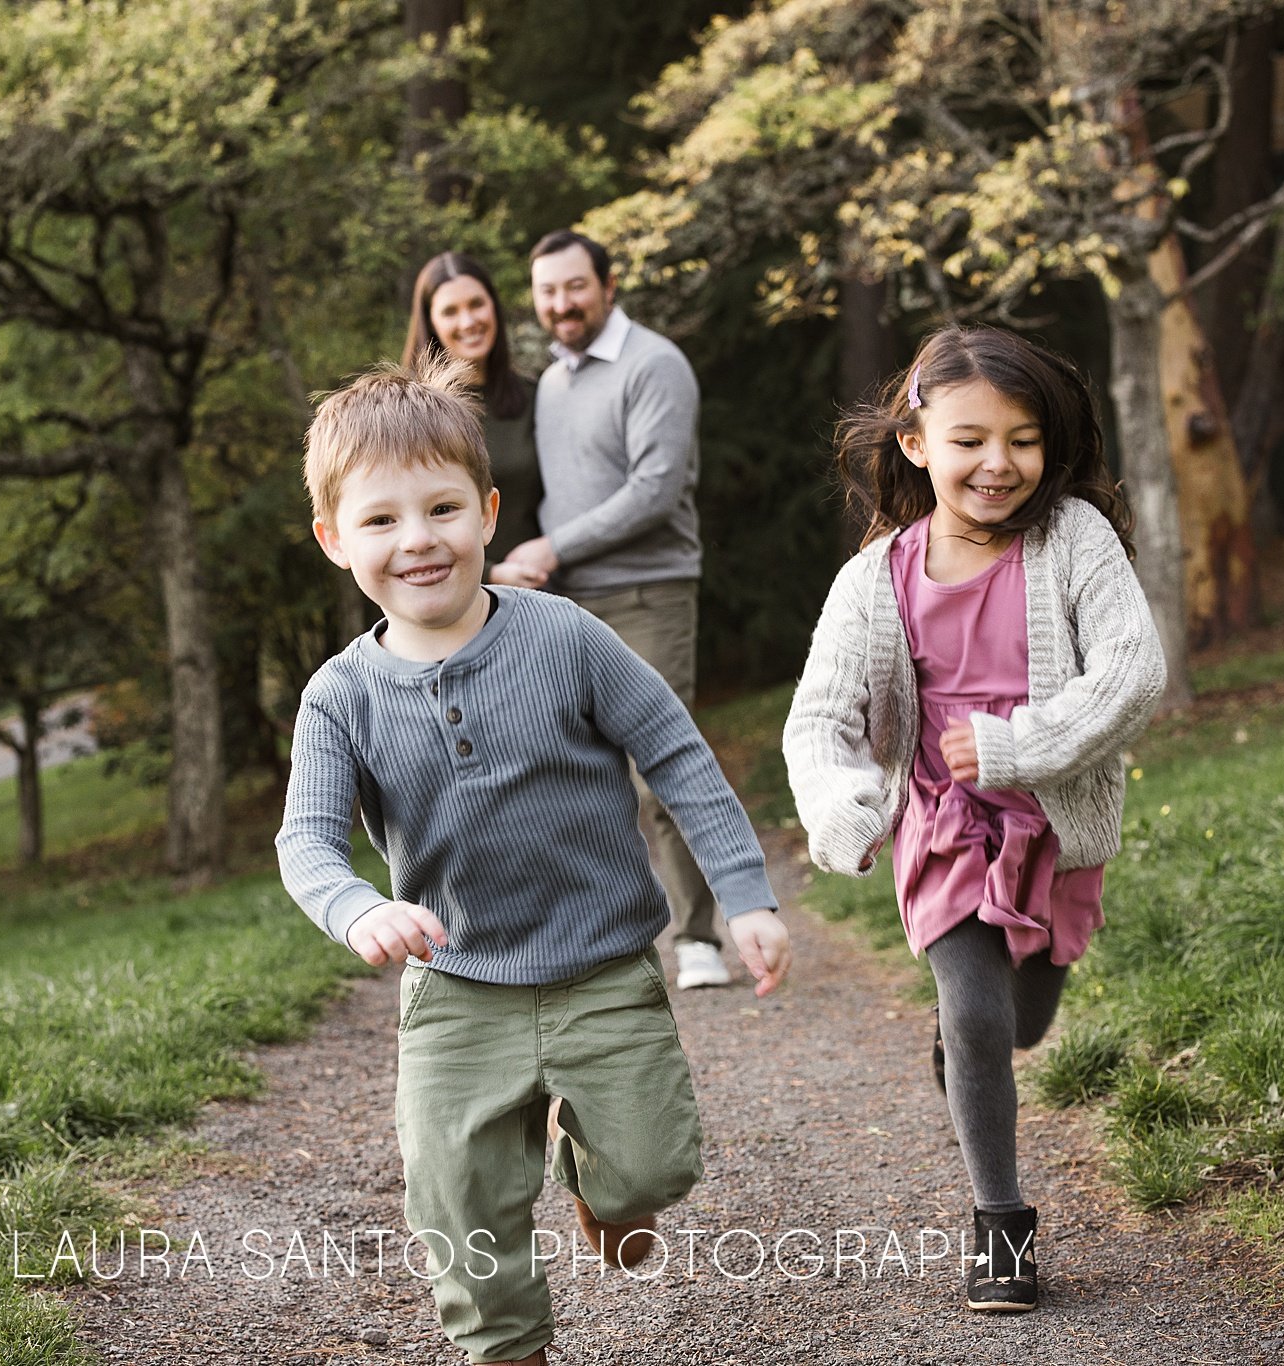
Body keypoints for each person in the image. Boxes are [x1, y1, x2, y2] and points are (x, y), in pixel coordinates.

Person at [280, 357, 791, 1366]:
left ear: (488, 510)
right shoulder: (338, 696)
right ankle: (508, 1348)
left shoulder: (564, 637)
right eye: (380, 521)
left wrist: (742, 895)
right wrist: (353, 907)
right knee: (456, 1203)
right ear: (335, 541)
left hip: (600, 967)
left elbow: (677, 755)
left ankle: (601, 1184)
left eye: (441, 508)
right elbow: (306, 838)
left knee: (652, 1169)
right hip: (457, 986)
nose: (416, 539)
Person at [781, 325, 1164, 1313]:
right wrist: (841, 803)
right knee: (978, 1004)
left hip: (1052, 822)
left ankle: (972, 1047)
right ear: (915, 442)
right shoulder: (876, 578)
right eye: (968, 440)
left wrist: (1011, 748)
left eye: (1022, 439)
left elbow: (1131, 671)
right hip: (944, 825)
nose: (998, 463)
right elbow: (817, 720)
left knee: (1022, 1018)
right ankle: (1000, 1225)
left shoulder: (1072, 537)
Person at [499, 229, 730, 990]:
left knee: (659, 769)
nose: (561, 304)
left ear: (608, 283)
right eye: (547, 292)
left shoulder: (653, 364)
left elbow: (655, 491)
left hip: (647, 592)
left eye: (574, 287)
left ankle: (699, 937)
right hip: (567, 601)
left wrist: (551, 547)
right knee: (576, 776)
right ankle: (600, 939)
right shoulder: (554, 383)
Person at [401, 252, 546, 583]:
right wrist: (492, 574)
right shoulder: (409, 414)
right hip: (446, 596)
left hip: (541, 593)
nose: (468, 322)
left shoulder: (535, 396)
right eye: (450, 311)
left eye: (476, 304)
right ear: (430, 322)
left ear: (493, 306)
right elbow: (399, 524)